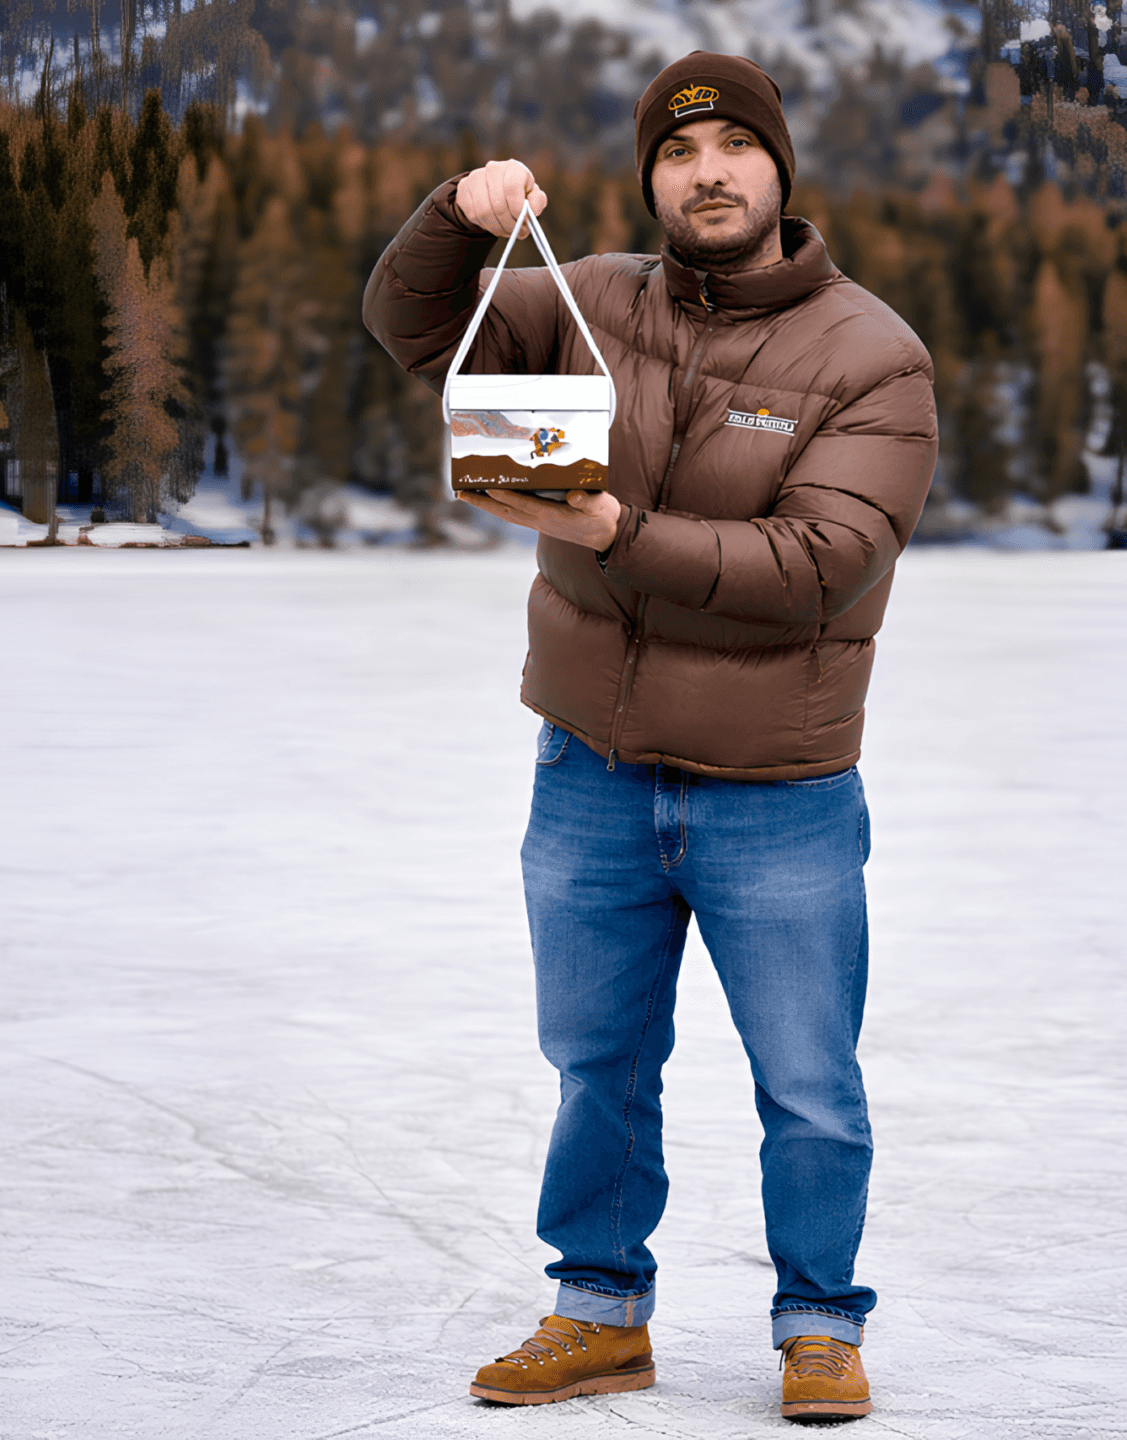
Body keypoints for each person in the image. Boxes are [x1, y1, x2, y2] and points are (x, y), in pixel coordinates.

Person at [363, 51, 937, 1422]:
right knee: (597, 1063)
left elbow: (821, 561)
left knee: (808, 1079)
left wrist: (617, 531)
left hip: (777, 791)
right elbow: (412, 327)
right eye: (681, 154)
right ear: (651, 178)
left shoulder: (873, 354)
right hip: (592, 772)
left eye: (737, 148)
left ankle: (819, 1325)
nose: (710, 173)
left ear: (781, 170)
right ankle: (599, 1310)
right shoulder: (590, 296)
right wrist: (458, 212)